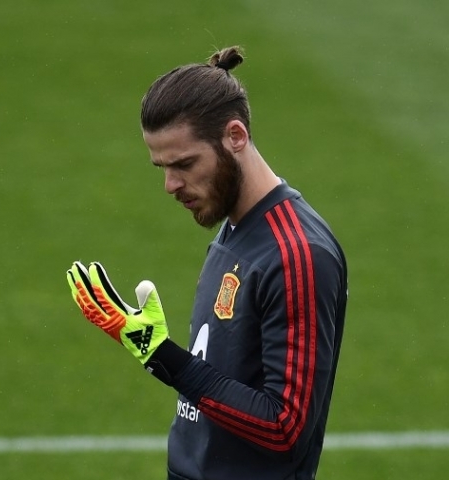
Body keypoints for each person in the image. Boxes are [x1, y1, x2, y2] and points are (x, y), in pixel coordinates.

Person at [66, 45, 348, 480]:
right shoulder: (235, 228)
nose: (170, 185)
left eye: (184, 164)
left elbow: (285, 428)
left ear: (235, 136)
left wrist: (163, 357)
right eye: (161, 166)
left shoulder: (297, 255)